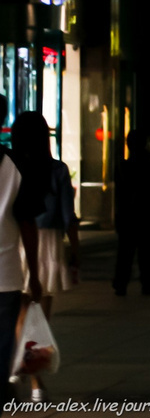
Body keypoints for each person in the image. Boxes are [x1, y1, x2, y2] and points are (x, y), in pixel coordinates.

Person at [10, 113, 78, 401]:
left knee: (20, 314)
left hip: (16, 242)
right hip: (47, 243)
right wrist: (75, 251)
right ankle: (35, 381)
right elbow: (67, 217)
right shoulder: (57, 170)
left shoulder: (13, 166)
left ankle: (23, 371)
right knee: (40, 316)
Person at [0, 97, 42, 410]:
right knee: (2, 343)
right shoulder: (16, 165)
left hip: (8, 274)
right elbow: (28, 224)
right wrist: (36, 274)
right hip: (6, 273)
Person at [113, 130, 150, 296]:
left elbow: (119, 195)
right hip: (145, 215)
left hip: (127, 215)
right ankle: (148, 284)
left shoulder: (123, 166)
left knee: (124, 253)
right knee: (146, 252)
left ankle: (121, 284)